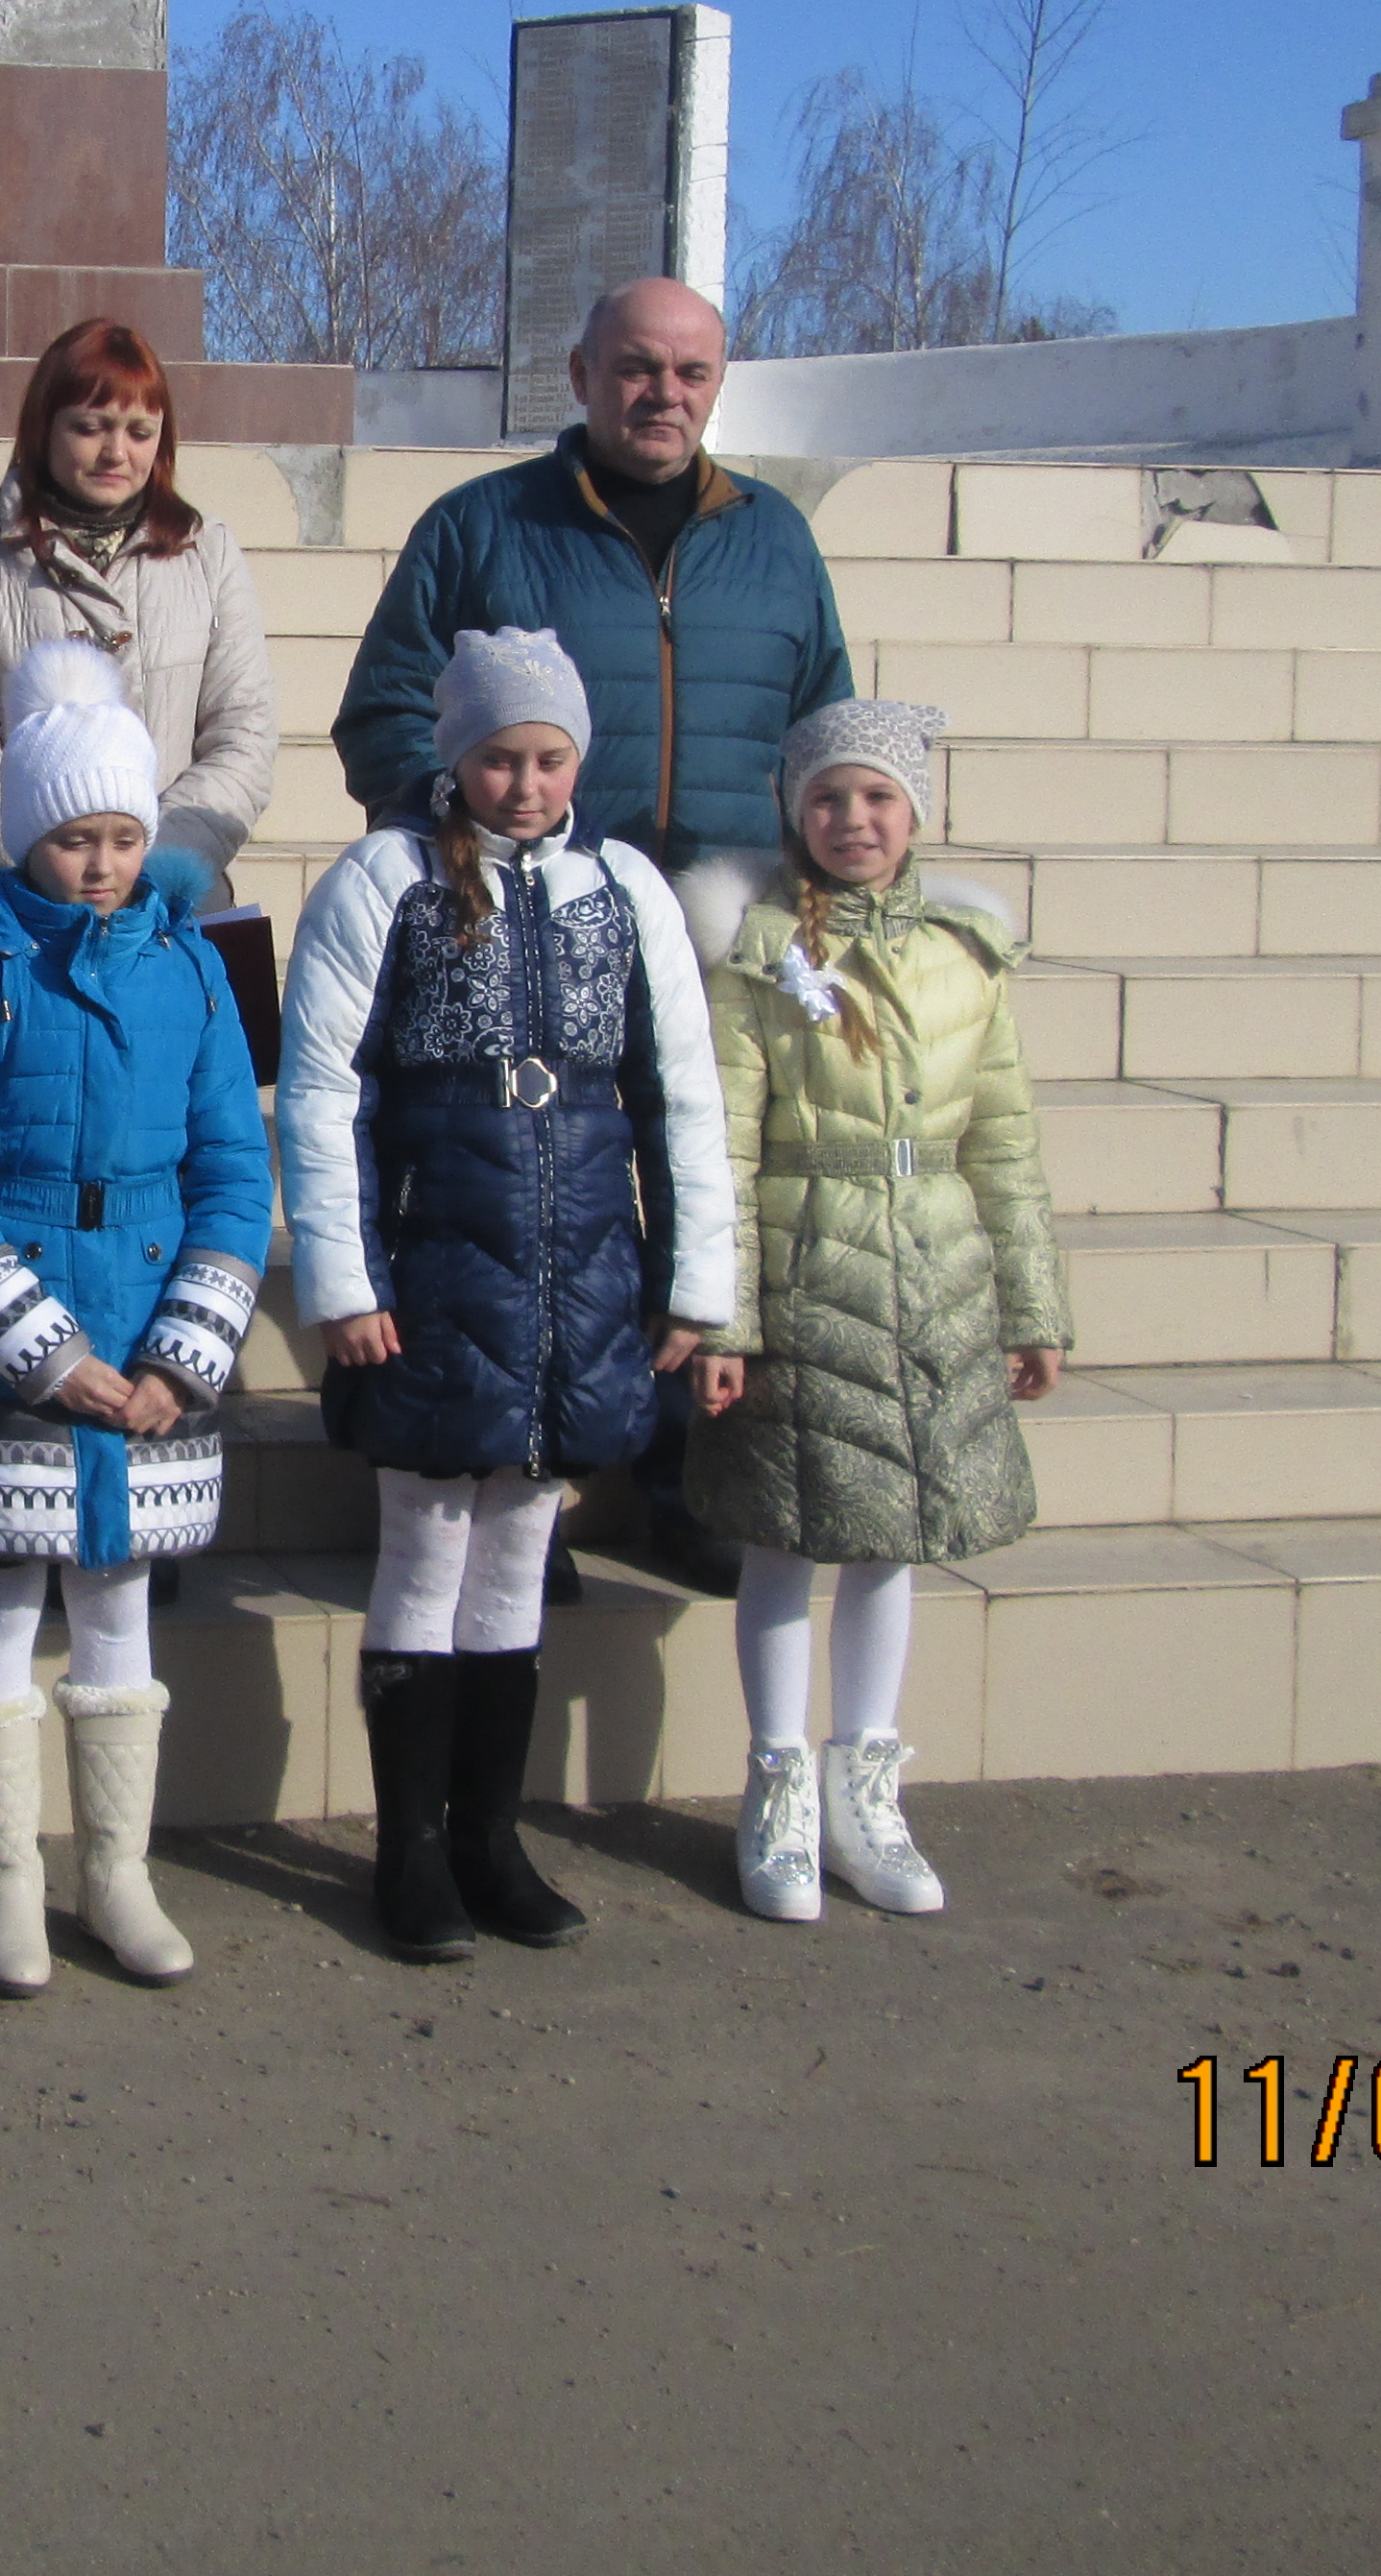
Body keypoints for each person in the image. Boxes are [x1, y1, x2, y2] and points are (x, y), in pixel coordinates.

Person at [327, 274, 853, 1602]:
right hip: (529, 927)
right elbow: (385, 707)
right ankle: (523, 1487)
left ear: (718, 381)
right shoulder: (485, 525)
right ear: (579, 370)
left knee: (689, 1192)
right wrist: (479, 850)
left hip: (719, 933)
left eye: (689, 371)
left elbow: (824, 730)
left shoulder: (776, 540)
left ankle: (685, 1481)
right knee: (527, 1196)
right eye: (634, 366)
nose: (661, 393)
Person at [277, 629, 733, 1962]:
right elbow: (324, 1090)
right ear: (456, 757)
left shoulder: (624, 887)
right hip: (431, 1267)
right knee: (424, 1548)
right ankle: (407, 1851)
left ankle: (493, 1838)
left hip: (581, 1273)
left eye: (546, 760)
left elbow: (682, 1093)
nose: (524, 784)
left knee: (523, 1555)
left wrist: (691, 1280)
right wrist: (345, 1277)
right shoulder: (388, 878)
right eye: (498, 758)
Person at [0, 641, 272, 1996]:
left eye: (122, 837)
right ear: (27, 836)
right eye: (70, 839)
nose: (100, 864)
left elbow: (233, 1162)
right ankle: (4, 1880)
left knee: (119, 1606)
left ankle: (117, 1870)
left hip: (152, 1335)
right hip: (17, 1353)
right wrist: (47, 1354)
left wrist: (185, 1350)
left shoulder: (194, 967)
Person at [689, 700, 1071, 1924]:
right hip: (809, 1272)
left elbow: (1004, 1141)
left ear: (916, 814)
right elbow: (727, 1147)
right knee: (787, 1536)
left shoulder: (968, 953)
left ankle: (870, 1783)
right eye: (829, 799)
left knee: (891, 1539)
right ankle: (779, 1789)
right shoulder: (762, 959)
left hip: (939, 1274)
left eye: (879, 799)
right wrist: (727, 1319)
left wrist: (1031, 1304)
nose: (854, 821)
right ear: (796, 814)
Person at [0, 318, 279, 893]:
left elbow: (243, 735)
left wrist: (147, 865)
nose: (116, 452)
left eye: (140, 432)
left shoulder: (210, 555)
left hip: (175, 891)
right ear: (45, 428)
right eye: (90, 428)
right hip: (27, 898)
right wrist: (48, 863)